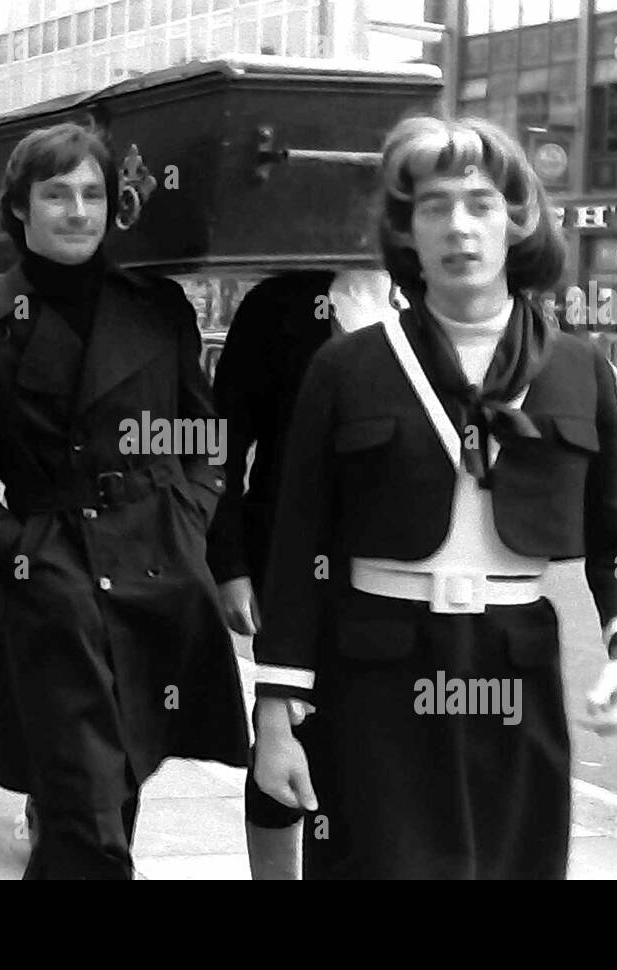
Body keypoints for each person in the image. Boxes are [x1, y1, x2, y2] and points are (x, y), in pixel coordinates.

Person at [251, 115, 617, 879]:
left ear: (517, 221)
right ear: (406, 231)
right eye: (433, 207)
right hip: (375, 671)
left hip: (514, 668)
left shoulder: (578, 369)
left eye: (479, 203)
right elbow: (296, 546)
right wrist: (275, 713)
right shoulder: (347, 368)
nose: (458, 227)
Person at [0, 122, 249, 879]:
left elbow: (205, 438)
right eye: (56, 193)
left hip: (156, 573)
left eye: (93, 193)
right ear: (19, 210)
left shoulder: (157, 306)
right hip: (53, 588)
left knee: (112, 802)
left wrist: (187, 521)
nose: (77, 210)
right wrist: (21, 552)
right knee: (86, 817)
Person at [208, 265, 398, 880]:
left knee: (378, 750)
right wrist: (229, 563)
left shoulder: (431, 297)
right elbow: (223, 444)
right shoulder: (279, 304)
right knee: (286, 732)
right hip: (290, 562)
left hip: (400, 568)